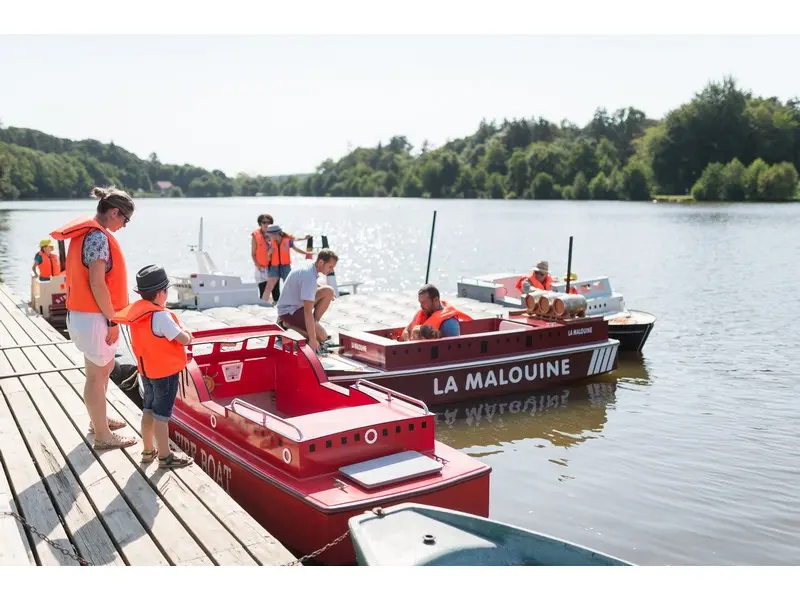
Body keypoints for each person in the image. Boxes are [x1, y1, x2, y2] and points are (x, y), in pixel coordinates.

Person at [50, 186, 137, 450]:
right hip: (95, 317)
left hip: (83, 315)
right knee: (97, 377)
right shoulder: (98, 238)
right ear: (114, 212)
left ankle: (98, 421)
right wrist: (112, 320)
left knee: (99, 372)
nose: (124, 225)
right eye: (125, 219)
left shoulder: (87, 234)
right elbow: (97, 284)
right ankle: (102, 436)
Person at [112, 265, 193, 469]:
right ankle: (165, 456)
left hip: (146, 372)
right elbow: (183, 340)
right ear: (160, 293)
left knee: (147, 410)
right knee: (162, 416)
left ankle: (148, 450)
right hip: (164, 375)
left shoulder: (139, 315)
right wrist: (186, 331)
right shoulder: (161, 316)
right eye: (167, 290)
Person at [276, 249, 338, 352]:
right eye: (330, 267)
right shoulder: (309, 277)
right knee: (322, 338)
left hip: (296, 305)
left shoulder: (311, 265)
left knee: (328, 291)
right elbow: (307, 311)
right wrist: (313, 339)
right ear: (321, 262)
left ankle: (313, 324)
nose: (332, 270)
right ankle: (286, 326)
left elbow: (308, 284)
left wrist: (321, 288)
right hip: (289, 312)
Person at [260, 224, 312, 304]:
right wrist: (270, 253)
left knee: (289, 285)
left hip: (285, 266)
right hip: (274, 266)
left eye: (270, 235)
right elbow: (268, 257)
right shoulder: (271, 243)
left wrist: (306, 253)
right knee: (269, 286)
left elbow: (296, 248)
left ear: (276, 234)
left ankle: (293, 302)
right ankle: (263, 303)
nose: (269, 237)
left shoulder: (287, 240)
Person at [401, 284, 473, 341]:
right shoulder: (424, 312)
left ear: (435, 300)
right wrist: (406, 332)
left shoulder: (449, 322)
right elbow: (408, 328)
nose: (421, 306)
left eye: (424, 302)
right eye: (420, 302)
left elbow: (454, 348)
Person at [252, 214, 280, 303]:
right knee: (263, 292)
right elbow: (253, 254)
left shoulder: (275, 235)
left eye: (268, 222)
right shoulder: (255, 235)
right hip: (261, 268)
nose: (266, 224)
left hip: (273, 267)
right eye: (264, 222)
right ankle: (264, 308)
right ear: (260, 223)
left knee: (276, 293)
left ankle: (277, 309)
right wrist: (257, 265)